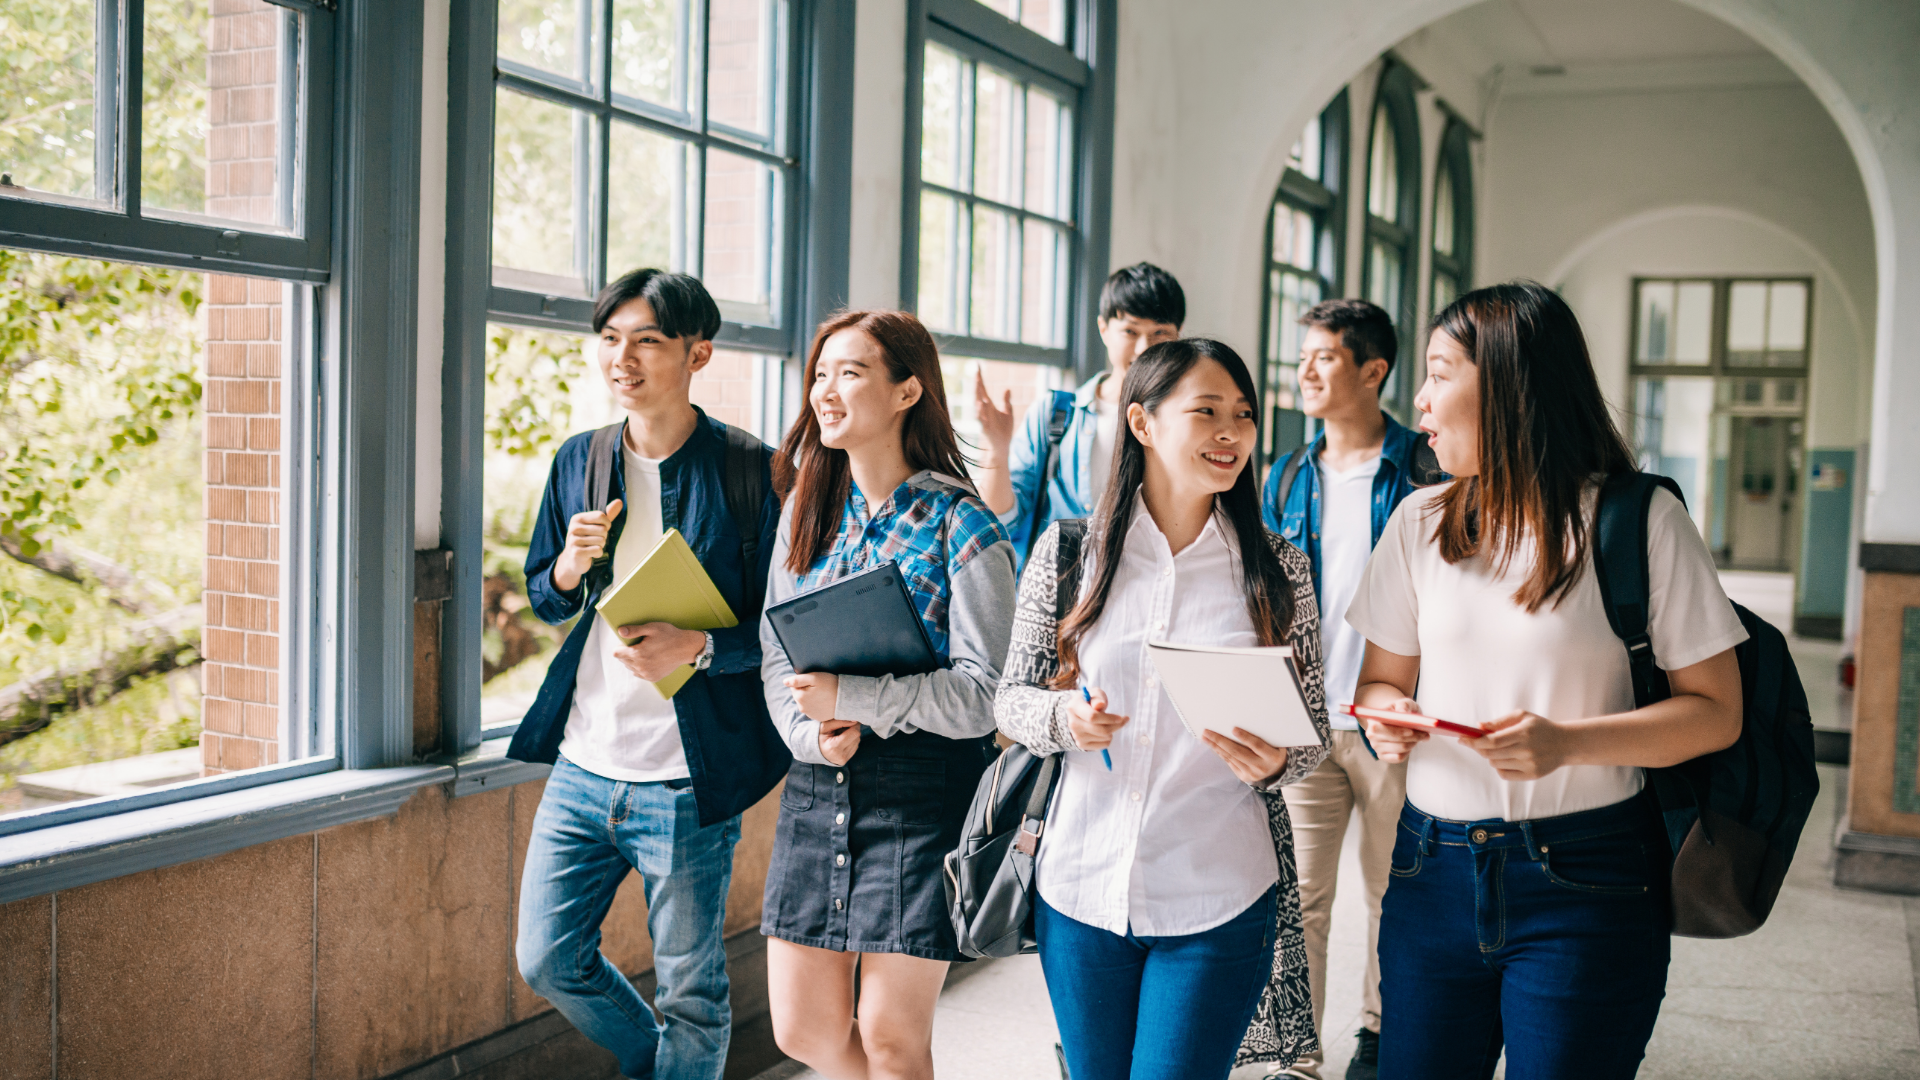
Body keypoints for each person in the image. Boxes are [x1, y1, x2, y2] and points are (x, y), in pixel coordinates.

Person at [1348, 283, 1747, 1080]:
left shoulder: (1639, 521)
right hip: (1431, 871)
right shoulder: (1419, 523)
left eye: (1437, 373)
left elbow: (1715, 714)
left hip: (1588, 878)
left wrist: (1566, 744)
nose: (1419, 401)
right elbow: (1383, 682)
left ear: (1506, 385)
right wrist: (1386, 719)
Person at [994, 337, 1331, 1080]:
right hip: (1079, 888)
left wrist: (1280, 760)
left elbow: (1311, 738)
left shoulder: (1281, 571)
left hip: (1217, 892)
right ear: (1142, 425)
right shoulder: (1068, 554)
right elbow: (1010, 700)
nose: (1230, 433)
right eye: (1205, 412)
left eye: (1241, 416)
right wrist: (1065, 723)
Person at [508, 269, 789, 1080]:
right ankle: (657, 1066)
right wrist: (567, 566)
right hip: (584, 765)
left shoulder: (753, 472)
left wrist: (699, 649)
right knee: (548, 959)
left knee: (693, 993)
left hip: (684, 778)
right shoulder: (580, 461)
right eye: (609, 339)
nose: (621, 358)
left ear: (698, 353)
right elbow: (545, 596)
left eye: (647, 341)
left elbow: (787, 629)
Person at [758, 309, 1018, 1080]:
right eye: (819, 374)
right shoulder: (807, 508)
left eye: (850, 372)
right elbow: (777, 658)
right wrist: (813, 733)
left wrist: (858, 698)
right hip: (814, 788)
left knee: (893, 1039)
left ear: (908, 391)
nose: (825, 391)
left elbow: (989, 696)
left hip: (922, 795)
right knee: (803, 1032)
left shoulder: (963, 524)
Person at [1258, 299, 1435, 1080]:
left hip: (1395, 719)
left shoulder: (1426, 468)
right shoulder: (1287, 474)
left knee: (1394, 894)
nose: (1304, 370)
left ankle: (1376, 1032)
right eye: (1303, 355)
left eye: (1324, 356)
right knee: (1299, 900)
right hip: (1304, 720)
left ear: (1374, 370)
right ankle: (1298, 1053)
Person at [974, 262, 1186, 566]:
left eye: (1159, 333)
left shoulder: (1186, 422)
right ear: (1104, 329)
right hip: (1058, 598)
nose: (1144, 348)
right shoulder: (1056, 415)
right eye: (1130, 331)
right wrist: (997, 449)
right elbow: (1003, 522)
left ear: (1177, 336)